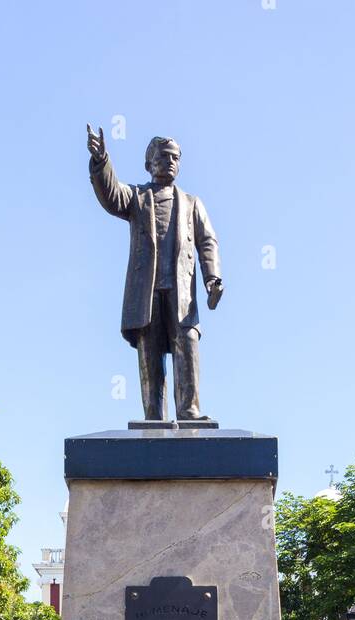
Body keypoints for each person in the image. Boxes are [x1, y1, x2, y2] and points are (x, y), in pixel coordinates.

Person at [86, 125, 223, 422]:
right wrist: (101, 161)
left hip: (181, 292)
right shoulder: (137, 197)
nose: (170, 161)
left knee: (187, 343)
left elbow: (207, 242)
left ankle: (189, 411)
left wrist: (212, 278)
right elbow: (111, 194)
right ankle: (153, 417)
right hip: (146, 291)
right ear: (149, 163)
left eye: (175, 157)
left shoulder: (192, 203)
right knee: (149, 353)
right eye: (163, 156)